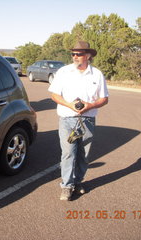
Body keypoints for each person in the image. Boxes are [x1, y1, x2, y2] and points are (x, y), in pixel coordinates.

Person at [48, 40, 109, 201]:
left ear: (88, 55)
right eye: (73, 54)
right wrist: (69, 104)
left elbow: (104, 99)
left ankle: (77, 182)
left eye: (79, 54)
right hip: (68, 119)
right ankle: (67, 186)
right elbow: (54, 94)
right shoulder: (63, 72)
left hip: (87, 121)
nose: (75, 57)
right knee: (68, 153)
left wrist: (90, 105)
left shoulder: (97, 74)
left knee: (83, 154)